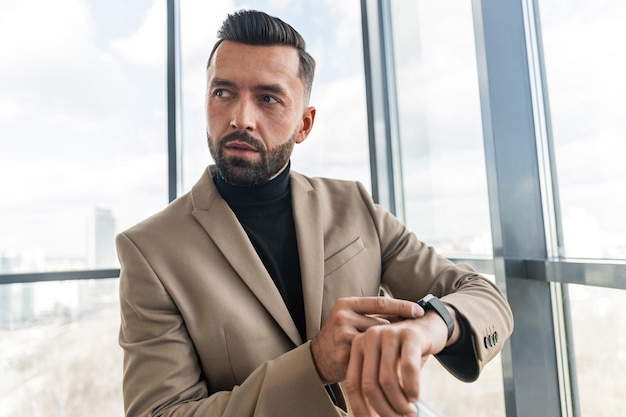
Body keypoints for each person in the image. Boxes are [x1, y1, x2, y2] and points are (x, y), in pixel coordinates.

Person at [116, 9, 513, 417]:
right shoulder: (150, 250)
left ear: (304, 125)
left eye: (267, 98)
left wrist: (429, 328)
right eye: (223, 93)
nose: (240, 118)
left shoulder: (355, 206)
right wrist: (315, 364)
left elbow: (483, 295)